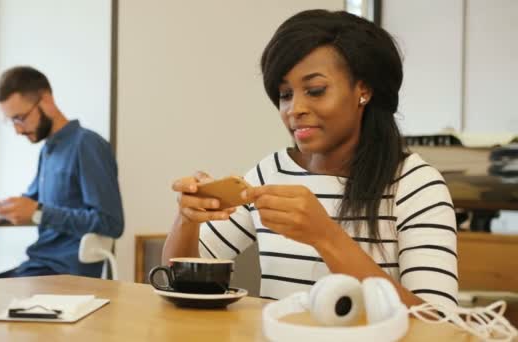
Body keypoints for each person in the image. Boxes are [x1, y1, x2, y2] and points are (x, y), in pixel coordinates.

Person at [162, 10, 457, 309]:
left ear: (363, 90)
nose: (295, 108)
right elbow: (183, 279)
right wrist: (186, 221)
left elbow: (440, 325)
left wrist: (326, 237)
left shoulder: (416, 185)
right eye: (285, 94)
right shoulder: (269, 173)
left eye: (315, 90)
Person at [0, 66, 124, 278]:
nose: (18, 130)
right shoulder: (48, 150)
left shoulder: (87, 145)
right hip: (39, 266)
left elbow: (111, 223)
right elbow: (32, 204)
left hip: (65, 273)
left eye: (20, 118)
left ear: (46, 101)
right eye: (12, 121)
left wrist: (39, 211)